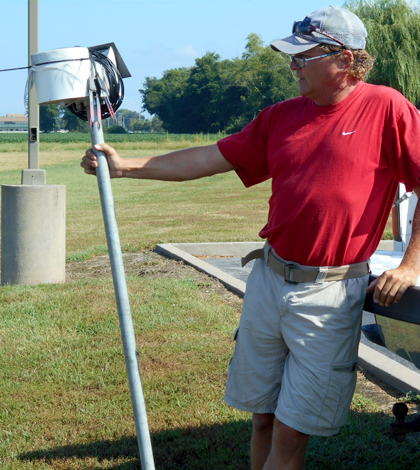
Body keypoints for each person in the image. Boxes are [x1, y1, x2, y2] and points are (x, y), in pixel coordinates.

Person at [81, 5, 420, 469]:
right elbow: (207, 159)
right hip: (268, 281)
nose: (292, 66)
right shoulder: (280, 117)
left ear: (344, 60)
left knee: (290, 432)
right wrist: (125, 169)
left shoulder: (386, 107)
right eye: (291, 56)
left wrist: (411, 264)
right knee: (262, 418)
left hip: (329, 292)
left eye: (303, 57)